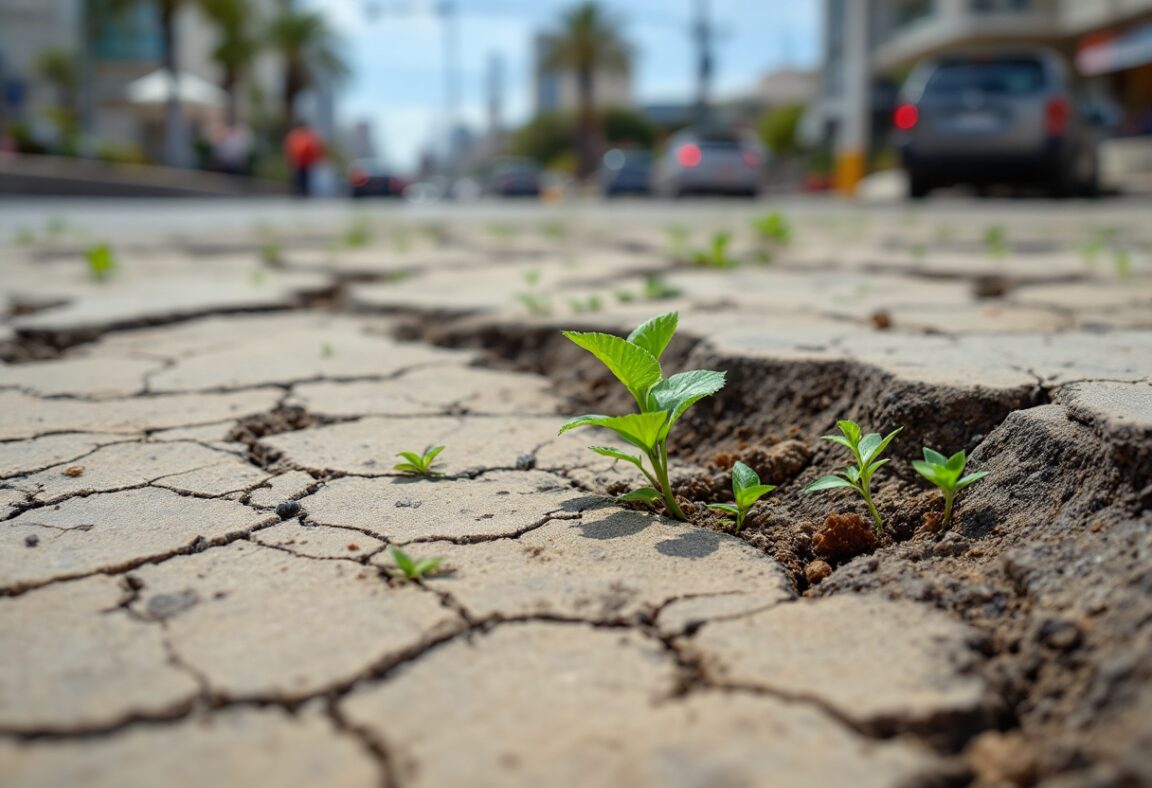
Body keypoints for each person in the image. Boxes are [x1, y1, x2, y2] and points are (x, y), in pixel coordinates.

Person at [283, 121, 324, 196]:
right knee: (301, 179)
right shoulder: (304, 135)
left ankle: (300, 193)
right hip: (300, 162)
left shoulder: (297, 135)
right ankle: (300, 193)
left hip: (302, 162)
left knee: (301, 179)